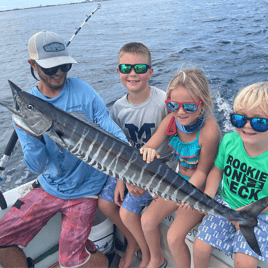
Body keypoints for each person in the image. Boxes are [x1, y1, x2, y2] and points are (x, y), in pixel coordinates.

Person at [0, 30, 129, 268]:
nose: (59, 73)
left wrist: (126, 170)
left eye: (64, 66)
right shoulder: (25, 111)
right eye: (50, 68)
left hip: (86, 189)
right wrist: (35, 135)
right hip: (50, 186)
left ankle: (105, 259)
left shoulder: (83, 91)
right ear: (33, 65)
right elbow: (36, 166)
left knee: (70, 260)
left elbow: (110, 129)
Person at [98, 42, 172, 268]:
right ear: (118, 71)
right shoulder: (118, 108)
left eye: (139, 68)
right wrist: (123, 178)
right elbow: (120, 149)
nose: (133, 73)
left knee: (129, 213)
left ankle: (152, 256)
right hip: (128, 168)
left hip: (159, 169)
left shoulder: (163, 102)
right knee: (105, 203)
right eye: (126, 68)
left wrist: (136, 179)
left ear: (150, 72)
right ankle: (133, 242)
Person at [140, 68, 222, 268]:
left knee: (174, 237)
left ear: (202, 104)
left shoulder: (209, 131)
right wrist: (147, 151)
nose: (181, 112)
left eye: (189, 107)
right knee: (147, 220)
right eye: (173, 105)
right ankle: (157, 259)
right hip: (178, 182)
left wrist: (185, 193)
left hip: (198, 190)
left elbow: (203, 172)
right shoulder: (171, 121)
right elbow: (148, 146)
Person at [193, 82, 268, 268]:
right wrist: (209, 195)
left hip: (261, 213)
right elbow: (217, 170)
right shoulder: (229, 141)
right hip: (227, 203)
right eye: (240, 120)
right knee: (200, 247)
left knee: (244, 262)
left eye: (259, 122)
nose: (248, 126)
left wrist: (244, 215)